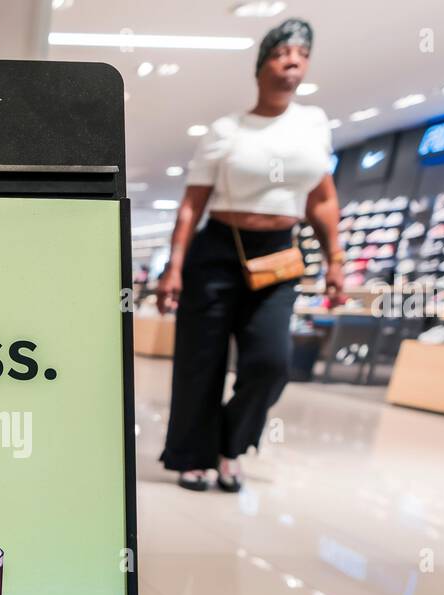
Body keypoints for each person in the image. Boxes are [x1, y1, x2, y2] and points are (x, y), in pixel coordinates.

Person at [156, 18, 343, 492]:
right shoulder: (227, 130)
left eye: (302, 53)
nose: (293, 60)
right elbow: (192, 204)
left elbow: (322, 198)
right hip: (219, 248)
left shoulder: (313, 124)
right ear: (262, 64)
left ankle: (230, 444)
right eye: (283, 52)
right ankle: (192, 456)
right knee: (202, 360)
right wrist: (173, 267)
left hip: (280, 253)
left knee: (271, 361)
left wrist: (336, 261)